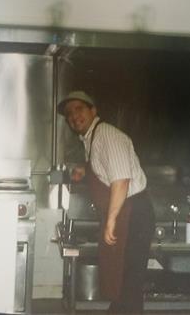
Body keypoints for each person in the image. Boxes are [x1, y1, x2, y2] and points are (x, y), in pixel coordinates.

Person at [58, 90, 155, 314]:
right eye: (69, 113)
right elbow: (105, 167)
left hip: (132, 213)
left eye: (79, 109)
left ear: (93, 111)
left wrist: (111, 220)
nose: (74, 116)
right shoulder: (92, 139)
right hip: (124, 212)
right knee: (121, 278)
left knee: (129, 279)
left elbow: (121, 179)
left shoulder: (106, 135)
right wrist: (85, 169)